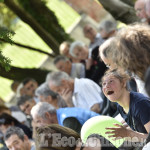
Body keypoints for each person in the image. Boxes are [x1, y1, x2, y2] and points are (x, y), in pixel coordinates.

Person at [101, 69, 150, 143]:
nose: (107, 86)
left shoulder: (140, 104)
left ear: (123, 83)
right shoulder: (120, 107)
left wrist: (127, 133)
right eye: (104, 84)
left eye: (111, 81)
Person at [31, 102, 99, 133]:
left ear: (47, 115)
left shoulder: (66, 120)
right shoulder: (60, 113)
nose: (40, 125)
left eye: (39, 121)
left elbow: (77, 143)